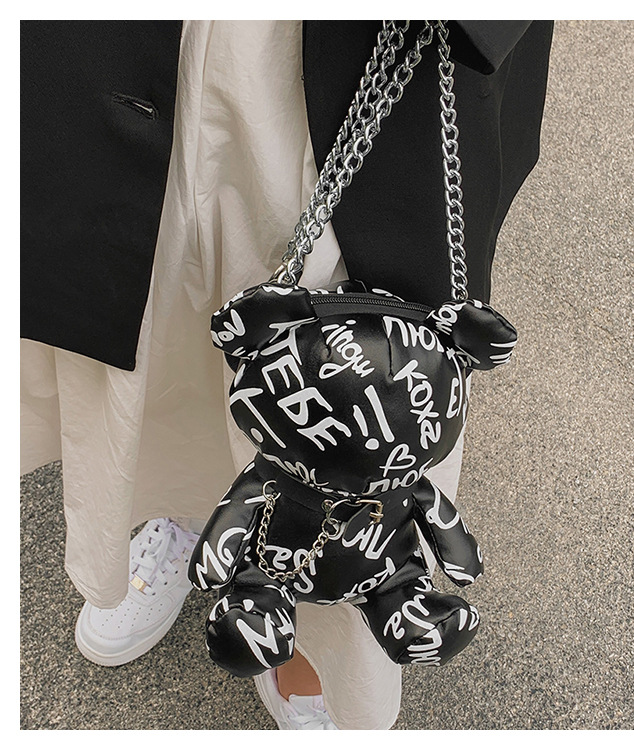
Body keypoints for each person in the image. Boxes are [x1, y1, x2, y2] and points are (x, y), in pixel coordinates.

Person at [20, 20, 553, 730]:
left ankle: (318, 662)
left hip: (367, 45)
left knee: (352, 313)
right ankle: (183, 514)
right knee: (165, 300)